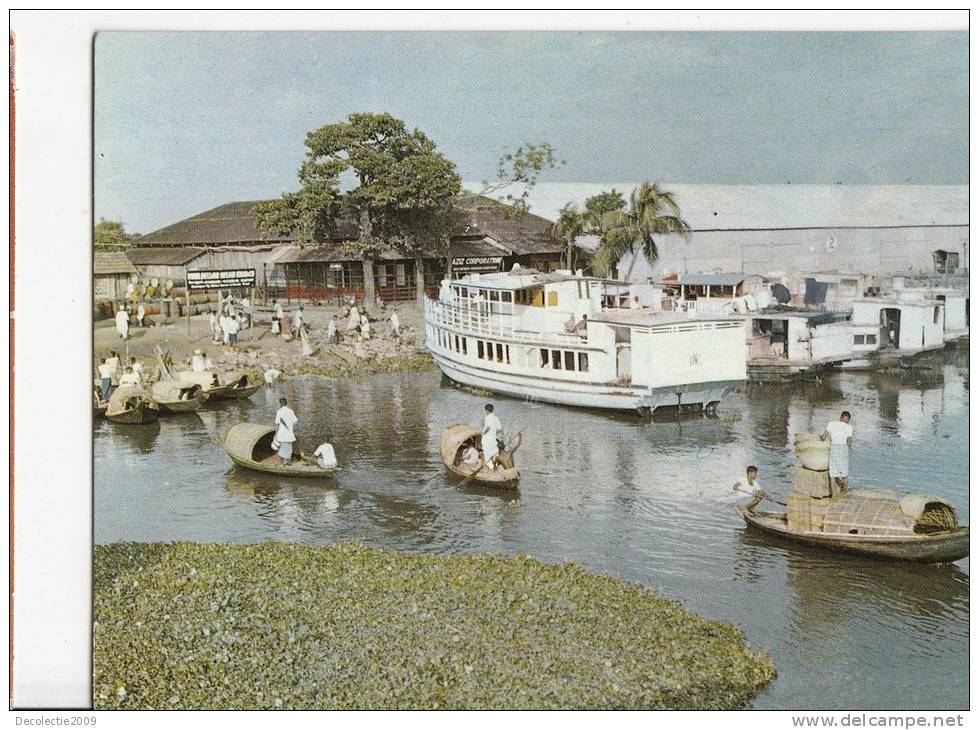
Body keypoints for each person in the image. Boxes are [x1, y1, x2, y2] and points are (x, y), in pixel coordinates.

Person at [821, 411, 854, 494]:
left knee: (833, 474)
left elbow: (824, 437)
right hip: (844, 449)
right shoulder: (849, 427)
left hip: (834, 448)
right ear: (848, 420)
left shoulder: (831, 424)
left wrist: (820, 438)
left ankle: (834, 496)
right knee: (844, 474)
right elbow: (849, 442)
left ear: (840, 417)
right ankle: (844, 492)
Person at [274, 398, 298, 463]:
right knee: (289, 447)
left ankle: (283, 462)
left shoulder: (279, 412)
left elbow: (277, 424)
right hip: (290, 434)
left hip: (282, 434)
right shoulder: (291, 411)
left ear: (280, 404)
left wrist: (276, 434)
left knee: (282, 448)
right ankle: (288, 461)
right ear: (286, 403)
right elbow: (295, 421)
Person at [481, 403, 502, 470]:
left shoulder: (488, 417)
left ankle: (491, 467)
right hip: (493, 437)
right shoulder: (496, 418)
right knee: (494, 450)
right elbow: (499, 429)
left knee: (487, 451)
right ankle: (495, 464)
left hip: (487, 437)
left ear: (487, 410)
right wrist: (494, 433)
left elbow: (488, 427)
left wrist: (483, 433)